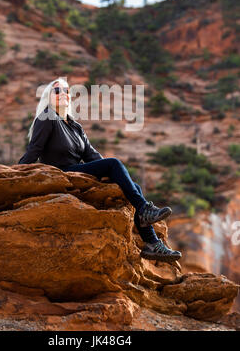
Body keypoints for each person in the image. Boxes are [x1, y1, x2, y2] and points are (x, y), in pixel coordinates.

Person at [18, 77, 182, 263]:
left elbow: (92, 156)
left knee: (132, 184)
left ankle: (151, 243)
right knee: (113, 164)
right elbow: (34, 151)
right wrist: (15, 174)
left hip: (78, 171)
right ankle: (145, 210)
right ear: (49, 97)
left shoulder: (75, 126)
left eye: (66, 90)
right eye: (57, 91)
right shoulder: (46, 118)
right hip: (62, 173)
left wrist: (114, 174)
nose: (63, 93)